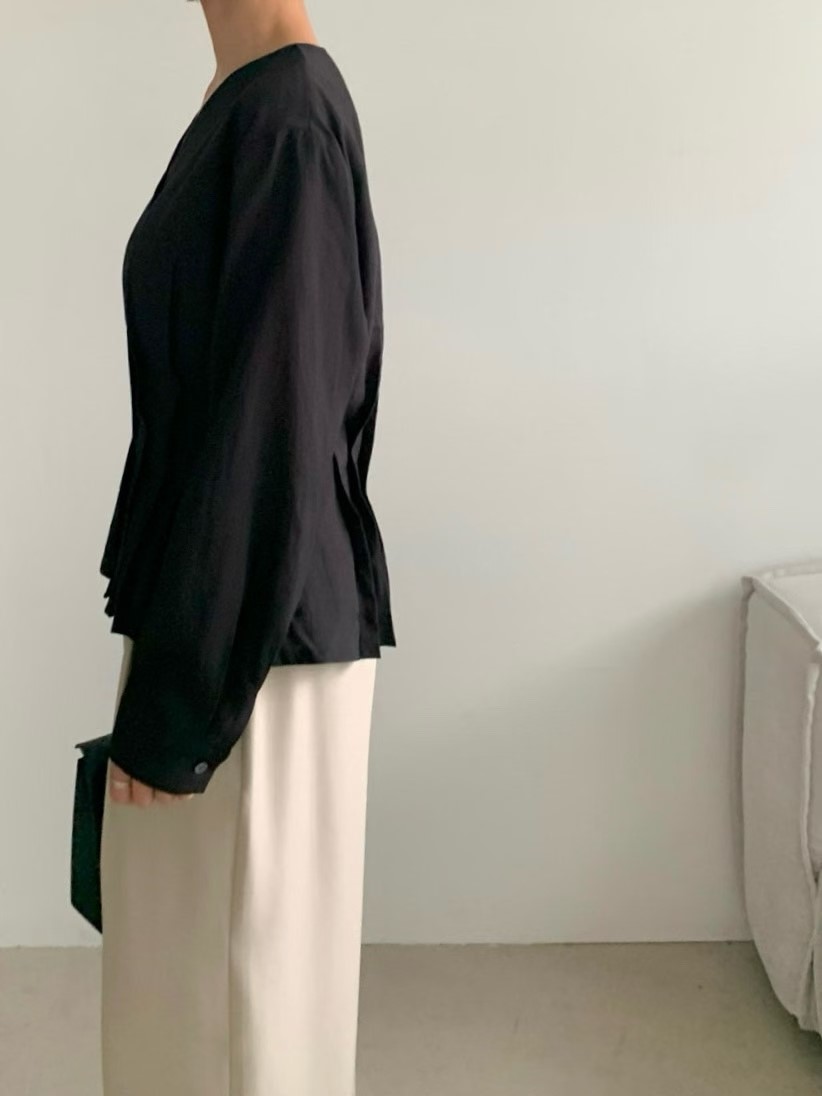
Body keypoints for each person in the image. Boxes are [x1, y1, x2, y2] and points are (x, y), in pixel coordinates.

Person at [97, 1, 397, 1093]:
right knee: (188, 1016)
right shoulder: (252, 97)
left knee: (241, 1032)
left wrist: (182, 703)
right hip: (226, 618)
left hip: (253, 648)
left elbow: (276, 428)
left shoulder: (288, 115)